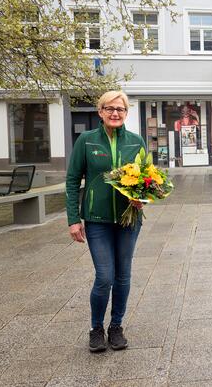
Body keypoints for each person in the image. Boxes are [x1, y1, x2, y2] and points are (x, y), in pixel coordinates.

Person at [66, 90, 147, 353]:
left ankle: (116, 327)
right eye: (109, 109)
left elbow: (146, 180)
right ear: (100, 112)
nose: (115, 113)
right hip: (97, 220)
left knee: (123, 276)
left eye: (120, 109)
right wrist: (73, 219)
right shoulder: (87, 141)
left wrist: (141, 199)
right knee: (104, 276)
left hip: (128, 220)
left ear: (126, 113)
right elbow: (72, 180)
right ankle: (96, 328)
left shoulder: (136, 141)